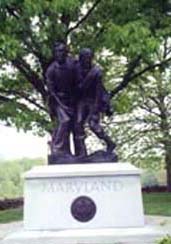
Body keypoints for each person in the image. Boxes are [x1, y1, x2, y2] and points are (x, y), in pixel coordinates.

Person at [74, 48, 115, 157]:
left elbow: (99, 91)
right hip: (81, 101)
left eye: (88, 57)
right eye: (84, 57)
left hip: (93, 101)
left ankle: (110, 143)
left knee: (93, 125)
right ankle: (82, 153)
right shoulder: (75, 68)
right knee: (78, 124)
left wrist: (97, 108)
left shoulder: (96, 72)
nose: (86, 60)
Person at [46, 41, 76, 156]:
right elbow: (52, 92)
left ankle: (73, 152)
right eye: (58, 51)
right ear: (55, 53)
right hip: (58, 100)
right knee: (65, 121)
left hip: (72, 98)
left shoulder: (72, 64)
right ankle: (57, 148)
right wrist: (62, 105)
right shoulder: (51, 70)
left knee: (75, 125)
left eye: (63, 51)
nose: (61, 54)